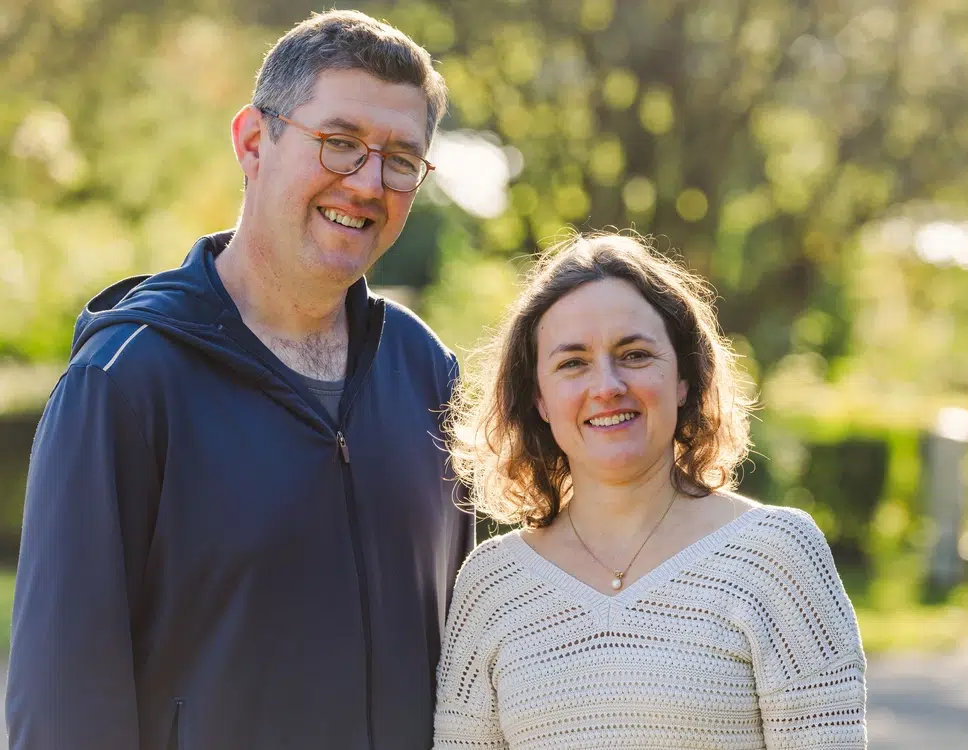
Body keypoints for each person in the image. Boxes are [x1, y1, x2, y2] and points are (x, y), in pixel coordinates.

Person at [8, 10, 474, 750]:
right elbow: (61, 707)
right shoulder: (124, 381)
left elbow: (467, 667)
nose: (367, 182)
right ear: (255, 142)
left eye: (400, 159)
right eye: (340, 143)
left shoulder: (428, 374)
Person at [434, 231, 867, 749]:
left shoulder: (776, 558)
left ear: (684, 377)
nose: (608, 385)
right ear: (539, 400)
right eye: (572, 363)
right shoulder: (491, 585)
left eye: (634, 354)